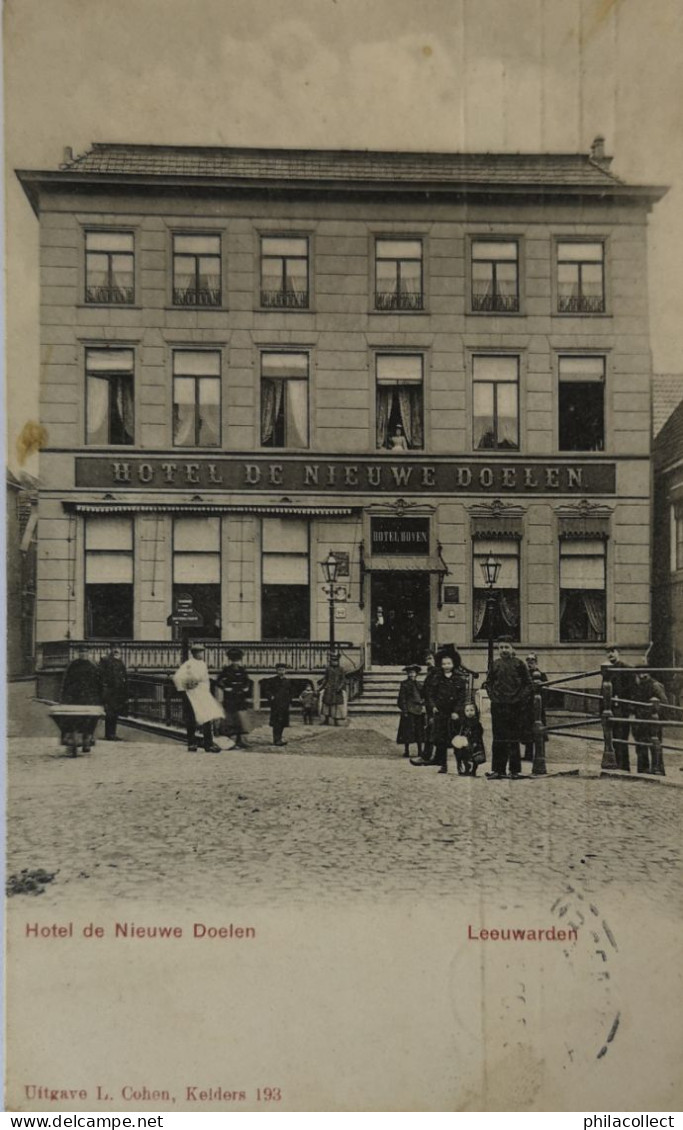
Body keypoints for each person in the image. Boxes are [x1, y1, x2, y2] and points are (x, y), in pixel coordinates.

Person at [484, 636, 533, 779]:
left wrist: (518, 699)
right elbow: (488, 683)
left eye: (507, 647)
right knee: (498, 739)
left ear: (513, 649)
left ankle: (514, 770)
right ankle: (498, 770)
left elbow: (528, 685)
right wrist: (494, 697)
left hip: (515, 707)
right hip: (498, 706)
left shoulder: (519, 664)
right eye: (501, 647)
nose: (504, 650)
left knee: (513, 739)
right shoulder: (495, 664)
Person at [172, 644, 222, 753]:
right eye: (198, 652)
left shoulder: (203, 664)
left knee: (207, 717)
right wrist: (185, 686)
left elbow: (205, 680)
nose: (200, 654)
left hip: (203, 693)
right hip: (192, 694)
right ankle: (192, 743)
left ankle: (208, 744)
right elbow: (177, 677)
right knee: (192, 718)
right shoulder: (188, 664)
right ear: (193, 653)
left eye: (201, 652)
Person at [423, 651, 467, 773]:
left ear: (453, 664)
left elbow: (462, 698)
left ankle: (460, 764)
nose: (446, 666)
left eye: (449, 663)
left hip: (453, 714)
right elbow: (430, 695)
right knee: (440, 740)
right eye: (444, 664)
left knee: (456, 740)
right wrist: (433, 707)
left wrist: (457, 711)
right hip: (441, 713)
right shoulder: (437, 678)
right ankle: (443, 765)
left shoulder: (459, 679)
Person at [60, 644, 102, 752]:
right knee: (72, 717)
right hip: (75, 697)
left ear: (88, 654)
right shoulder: (73, 665)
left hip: (89, 697)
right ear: (79, 654)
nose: (84, 654)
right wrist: (65, 695)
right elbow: (67, 681)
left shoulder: (93, 666)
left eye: (86, 652)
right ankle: (70, 738)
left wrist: (98, 697)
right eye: (82, 652)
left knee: (90, 718)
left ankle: (87, 739)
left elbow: (98, 683)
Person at [603, 645, 635, 772]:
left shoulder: (626, 669)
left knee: (621, 738)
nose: (610, 654)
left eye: (612, 651)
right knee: (612, 738)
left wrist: (630, 709)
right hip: (609, 709)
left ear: (618, 652)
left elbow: (632, 691)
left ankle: (623, 766)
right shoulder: (607, 669)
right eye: (607, 652)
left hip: (621, 709)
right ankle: (614, 764)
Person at [632, 670, 668, 775]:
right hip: (640, 719)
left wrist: (654, 711)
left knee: (655, 744)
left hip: (652, 719)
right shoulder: (638, 685)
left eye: (644, 672)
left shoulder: (655, 685)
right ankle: (643, 770)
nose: (641, 675)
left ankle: (657, 769)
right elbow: (634, 701)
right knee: (641, 745)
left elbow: (664, 702)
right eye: (639, 673)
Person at [216, 647, 252, 748]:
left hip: (240, 697)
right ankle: (229, 742)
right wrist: (225, 688)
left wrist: (246, 688)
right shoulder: (226, 670)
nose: (235, 662)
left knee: (241, 719)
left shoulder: (242, 670)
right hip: (230, 698)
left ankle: (240, 740)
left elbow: (248, 682)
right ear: (230, 660)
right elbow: (218, 681)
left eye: (237, 660)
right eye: (233, 660)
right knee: (230, 719)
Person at [98, 645, 129, 741]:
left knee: (115, 712)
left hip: (118, 691)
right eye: (114, 648)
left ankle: (112, 733)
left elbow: (124, 675)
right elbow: (101, 675)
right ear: (111, 650)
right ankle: (109, 734)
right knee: (110, 712)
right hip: (109, 690)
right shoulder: (105, 660)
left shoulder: (120, 661)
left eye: (118, 649)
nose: (116, 650)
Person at [522, 653, 548, 762]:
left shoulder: (542, 675)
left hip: (538, 706)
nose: (530, 663)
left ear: (536, 662)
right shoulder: (524, 675)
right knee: (527, 730)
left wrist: (541, 702)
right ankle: (528, 754)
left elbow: (546, 690)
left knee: (539, 728)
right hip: (527, 707)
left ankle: (540, 754)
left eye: (532, 660)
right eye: (528, 660)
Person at [396, 664, 426, 760]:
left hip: (418, 710)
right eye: (410, 673)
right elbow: (402, 698)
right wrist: (404, 710)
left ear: (416, 674)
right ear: (407, 674)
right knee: (407, 732)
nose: (412, 674)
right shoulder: (404, 684)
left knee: (419, 731)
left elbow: (423, 695)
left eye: (413, 673)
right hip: (409, 710)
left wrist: (422, 702)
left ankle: (420, 750)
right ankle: (407, 750)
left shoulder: (419, 685)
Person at [451, 701, 486, 776]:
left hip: (474, 742)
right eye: (467, 711)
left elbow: (479, 733)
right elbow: (458, 730)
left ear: (475, 711)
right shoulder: (463, 722)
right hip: (464, 742)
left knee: (474, 757)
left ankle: (473, 770)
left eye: (472, 710)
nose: (469, 712)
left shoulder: (477, 723)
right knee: (462, 755)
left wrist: (475, 740)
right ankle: (464, 767)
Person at [261, 663, 293, 746]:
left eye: (283, 670)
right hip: (276, 705)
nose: (281, 671)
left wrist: (289, 701)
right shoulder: (272, 680)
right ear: (276, 670)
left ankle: (280, 738)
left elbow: (290, 692)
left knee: (282, 722)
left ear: (285, 671)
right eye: (279, 670)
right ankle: (276, 739)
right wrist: (271, 697)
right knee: (276, 723)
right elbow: (267, 690)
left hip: (284, 705)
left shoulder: (287, 681)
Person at [421, 651, 440, 763]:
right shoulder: (430, 673)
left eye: (430, 658)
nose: (428, 661)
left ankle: (429, 756)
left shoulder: (436, 673)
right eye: (426, 659)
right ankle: (427, 755)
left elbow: (434, 691)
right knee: (429, 730)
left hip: (435, 706)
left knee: (433, 730)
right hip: (429, 705)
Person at [319, 653, 347, 726]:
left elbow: (343, 680)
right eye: (333, 660)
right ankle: (326, 719)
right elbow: (325, 679)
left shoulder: (341, 669)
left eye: (336, 660)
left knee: (337, 705)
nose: (334, 662)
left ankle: (336, 720)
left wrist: (340, 687)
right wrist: (321, 687)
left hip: (337, 690)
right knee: (326, 704)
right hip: (329, 689)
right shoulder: (328, 669)